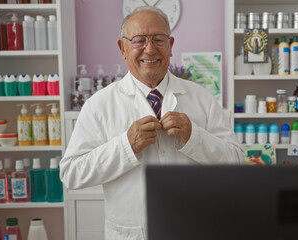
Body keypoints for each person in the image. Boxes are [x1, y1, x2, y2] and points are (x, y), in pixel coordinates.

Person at [60, 6, 244, 240]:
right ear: (122, 48)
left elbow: (237, 162)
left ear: (171, 45)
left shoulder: (202, 98)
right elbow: (72, 174)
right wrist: (126, 146)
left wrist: (194, 137)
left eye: (159, 39)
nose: (150, 49)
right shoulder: (100, 105)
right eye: (139, 40)